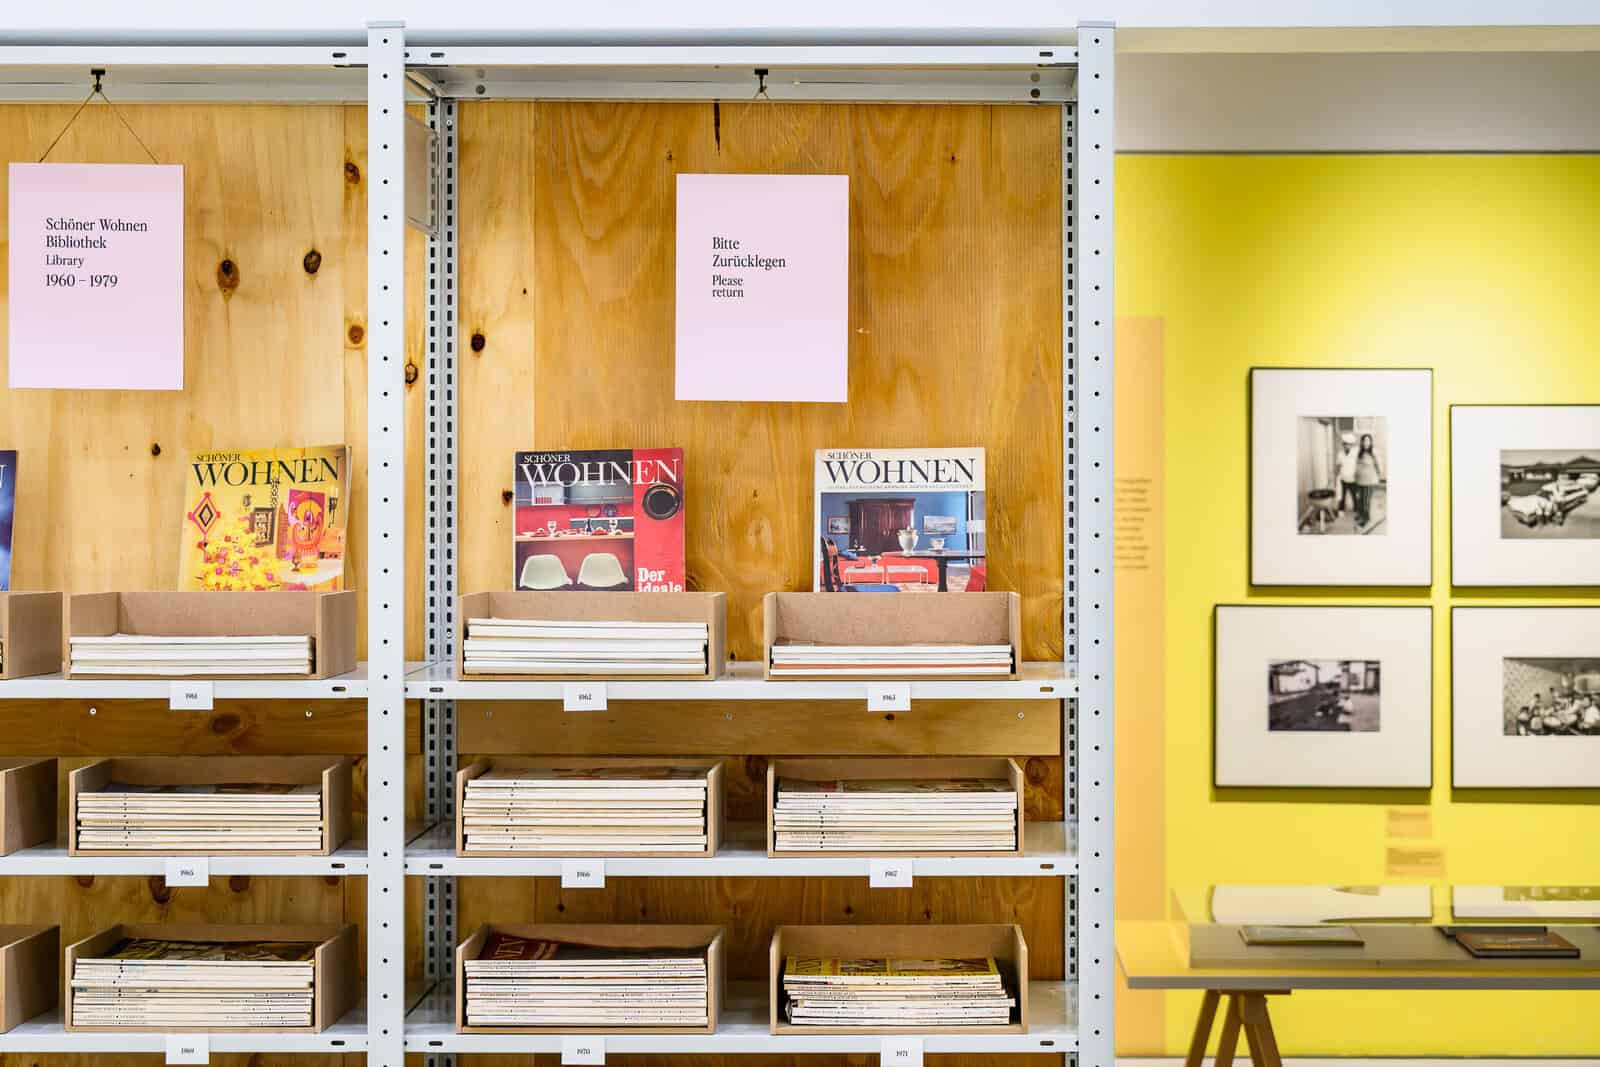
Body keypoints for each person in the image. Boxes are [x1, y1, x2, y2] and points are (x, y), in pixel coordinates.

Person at [1353, 432, 1383, 529]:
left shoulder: (1374, 452)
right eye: (1364, 441)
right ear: (1361, 442)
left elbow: (1378, 465)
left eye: (1368, 441)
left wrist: (1379, 476)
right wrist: (1355, 476)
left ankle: (1366, 519)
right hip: (1359, 480)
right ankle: (1361, 515)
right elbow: (1357, 465)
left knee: (1366, 501)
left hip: (1369, 481)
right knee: (1360, 500)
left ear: (1370, 442)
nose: (1366, 443)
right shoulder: (1360, 452)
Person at [1335, 431, 1359, 518]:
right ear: (1343, 445)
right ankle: (1341, 509)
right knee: (1342, 496)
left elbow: (1359, 464)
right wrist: (1336, 476)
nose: (1347, 446)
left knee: (1355, 495)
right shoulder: (1340, 454)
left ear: (1352, 445)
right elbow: (1338, 466)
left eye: (1349, 444)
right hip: (1343, 479)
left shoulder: (1355, 453)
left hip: (1353, 479)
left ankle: (1356, 509)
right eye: (1345, 444)